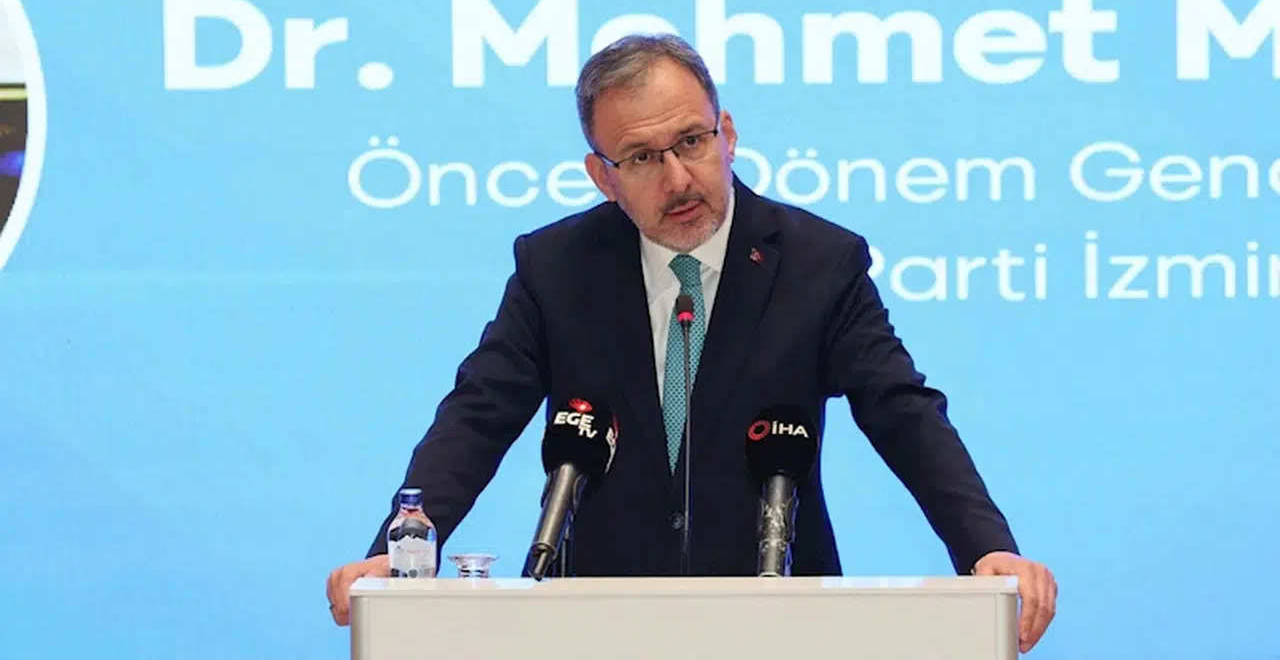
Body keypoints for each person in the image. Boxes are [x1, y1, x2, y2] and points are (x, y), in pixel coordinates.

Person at [326, 33, 1058, 651]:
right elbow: (478, 414)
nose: (678, 178)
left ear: (726, 134)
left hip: (782, 624)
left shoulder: (818, 262)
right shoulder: (557, 268)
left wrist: (983, 545)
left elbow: (902, 409)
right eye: (642, 158)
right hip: (593, 625)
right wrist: (398, 552)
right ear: (603, 177)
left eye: (691, 142)